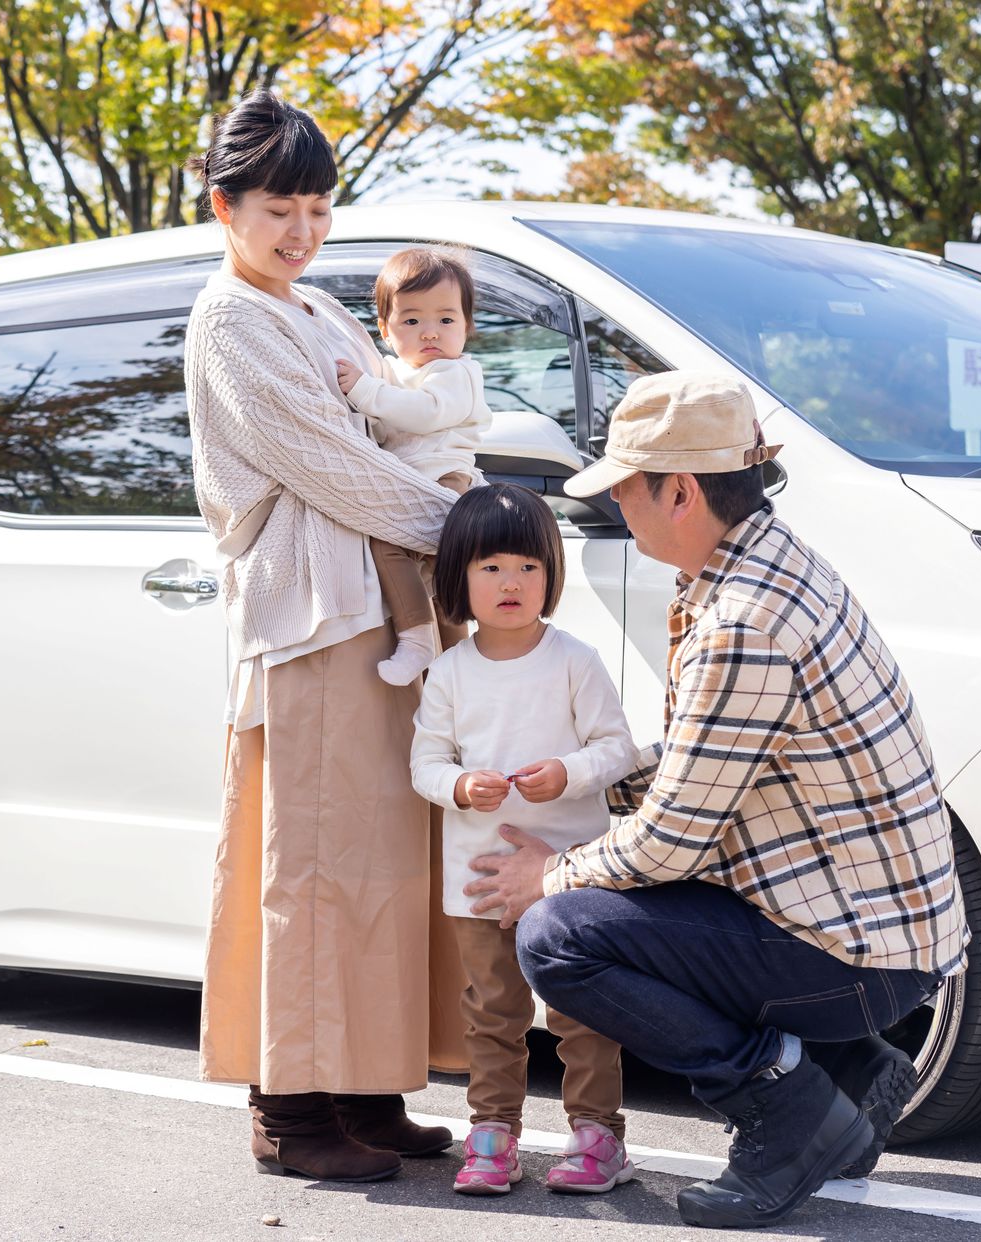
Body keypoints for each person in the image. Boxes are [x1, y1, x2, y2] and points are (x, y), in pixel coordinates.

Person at [466, 370, 968, 1230]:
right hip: (887, 940)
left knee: (560, 938)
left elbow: (667, 846)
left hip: (852, 959)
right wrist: (589, 775)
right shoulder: (778, 564)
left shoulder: (743, 620)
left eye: (625, 486)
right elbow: (716, 762)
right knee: (603, 907)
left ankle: (786, 1106)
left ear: (681, 491)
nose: (618, 504)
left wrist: (546, 876)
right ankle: (848, 1071)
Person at [182, 90, 467, 1183]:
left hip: (376, 613)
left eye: (317, 207)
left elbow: (405, 417)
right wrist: (473, 529)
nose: (301, 230)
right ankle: (290, 1110)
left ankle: (363, 1085)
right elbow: (334, 465)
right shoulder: (232, 317)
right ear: (226, 206)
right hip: (309, 622)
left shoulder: (320, 311)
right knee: (309, 863)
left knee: (385, 860)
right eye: (278, 209)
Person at [409, 484, 641, 1197]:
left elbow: (619, 749)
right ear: (458, 579)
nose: (511, 582)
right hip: (477, 881)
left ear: (551, 575)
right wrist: (457, 786)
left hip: (570, 879)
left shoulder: (574, 659)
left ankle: (597, 1135)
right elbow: (424, 763)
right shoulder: (447, 672)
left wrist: (568, 773)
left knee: (581, 1011)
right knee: (492, 1011)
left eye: (528, 567)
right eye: (490, 568)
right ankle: (493, 1133)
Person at [333, 247, 491, 686]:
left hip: (446, 479)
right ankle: (431, 642)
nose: (430, 333)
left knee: (425, 559)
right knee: (411, 563)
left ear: (466, 327)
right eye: (412, 320)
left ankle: (436, 645)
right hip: (411, 482)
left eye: (446, 319)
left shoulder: (455, 373)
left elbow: (425, 413)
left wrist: (365, 391)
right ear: (385, 329)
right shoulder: (391, 373)